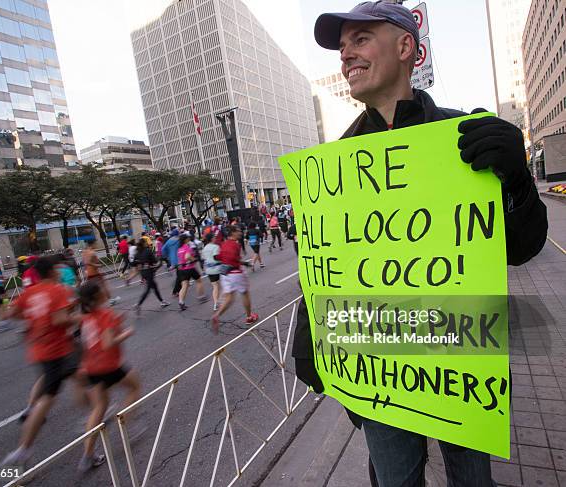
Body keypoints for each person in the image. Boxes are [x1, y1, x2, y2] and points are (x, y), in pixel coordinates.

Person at [293, 3, 548, 487]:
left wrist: (516, 178)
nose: (346, 53)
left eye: (361, 38)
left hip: (460, 359)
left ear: (406, 47)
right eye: (342, 46)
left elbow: (523, 246)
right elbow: (324, 263)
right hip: (378, 366)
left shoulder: (465, 138)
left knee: (473, 480)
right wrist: (309, 335)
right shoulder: (331, 169)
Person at [0, 256, 79, 467]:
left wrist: (34, 319)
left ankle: (97, 411)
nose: (60, 270)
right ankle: (24, 448)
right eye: (57, 267)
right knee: (49, 398)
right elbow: (60, 320)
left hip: (41, 349)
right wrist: (78, 318)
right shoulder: (57, 290)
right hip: (58, 349)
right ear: (52, 271)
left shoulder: (30, 292)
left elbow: (13, 314)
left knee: (79, 375)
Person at [77, 281, 141, 473]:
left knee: (98, 408)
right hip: (108, 366)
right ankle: (124, 424)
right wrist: (127, 332)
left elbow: (94, 337)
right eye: (102, 290)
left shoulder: (86, 316)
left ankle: (87, 455)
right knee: (135, 387)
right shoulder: (104, 314)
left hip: (91, 367)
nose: (106, 291)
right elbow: (107, 343)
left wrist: (116, 322)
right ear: (98, 296)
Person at [211, 226, 258, 333]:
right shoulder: (235, 245)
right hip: (235, 272)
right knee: (245, 293)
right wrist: (242, 263)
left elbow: (219, 257)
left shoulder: (223, 244)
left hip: (225, 274)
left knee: (229, 298)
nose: (240, 232)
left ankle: (217, 315)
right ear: (232, 233)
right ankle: (249, 317)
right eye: (238, 231)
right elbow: (233, 258)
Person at [132, 239, 169, 314]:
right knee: (148, 289)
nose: (147, 243)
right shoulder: (147, 251)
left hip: (143, 273)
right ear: (144, 244)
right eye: (146, 242)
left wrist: (140, 263)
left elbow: (133, 263)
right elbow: (155, 261)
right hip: (149, 272)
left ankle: (162, 301)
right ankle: (138, 305)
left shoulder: (137, 253)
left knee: (154, 287)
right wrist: (158, 260)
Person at [176, 234, 208, 311]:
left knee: (184, 285)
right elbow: (187, 257)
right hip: (189, 268)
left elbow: (180, 259)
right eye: (188, 238)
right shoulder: (186, 247)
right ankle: (201, 296)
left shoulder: (179, 249)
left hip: (182, 269)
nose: (189, 239)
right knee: (199, 281)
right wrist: (193, 259)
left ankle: (181, 302)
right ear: (185, 240)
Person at [83, 241, 119, 306]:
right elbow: (88, 262)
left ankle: (92, 303)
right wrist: (98, 265)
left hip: (89, 273)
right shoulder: (92, 252)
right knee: (104, 286)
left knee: (93, 289)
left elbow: (85, 263)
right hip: (95, 273)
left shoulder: (85, 252)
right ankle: (110, 300)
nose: (96, 245)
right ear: (92, 244)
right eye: (95, 244)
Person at [201, 233, 221, 311]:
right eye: (214, 237)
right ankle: (218, 302)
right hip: (217, 268)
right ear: (211, 239)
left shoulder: (204, 248)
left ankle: (216, 303)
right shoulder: (216, 247)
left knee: (215, 286)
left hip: (209, 269)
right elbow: (216, 257)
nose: (215, 238)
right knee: (218, 285)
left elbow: (203, 258)